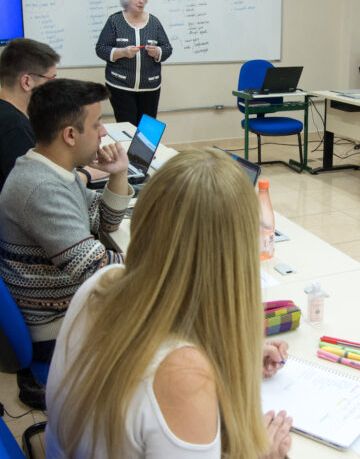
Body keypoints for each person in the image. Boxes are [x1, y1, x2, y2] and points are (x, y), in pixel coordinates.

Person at [46, 148, 292, 458]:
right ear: (237, 254)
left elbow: (174, 325)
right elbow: (171, 370)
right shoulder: (182, 378)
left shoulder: (103, 281)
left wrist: (236, 356)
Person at [0, 79, 133, 368]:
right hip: (57, 328)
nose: (104, 132)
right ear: (70, 135)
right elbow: (95, 268)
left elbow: (104, 222)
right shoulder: (40, 187)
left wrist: (118, 174)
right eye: (97, 124)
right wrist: (170, 257)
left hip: (68, 308)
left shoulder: (53, 170)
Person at [96, 0, 173, 125]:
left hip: (150, 87)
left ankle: (145, 149)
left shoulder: (154, 22)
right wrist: (123, 52)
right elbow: (101, 49)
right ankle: (127, 149)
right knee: (128, 128)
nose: (141, 1)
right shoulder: (115, 21)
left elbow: (167, 48)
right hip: (120, 85)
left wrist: (157, 52)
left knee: (147, 130)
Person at [0, 37, 60, 192]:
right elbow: (39, 191)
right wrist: (86, 173)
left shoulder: (11, 115)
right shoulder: (15, 128)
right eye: (51, 79)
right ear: (26, 82)